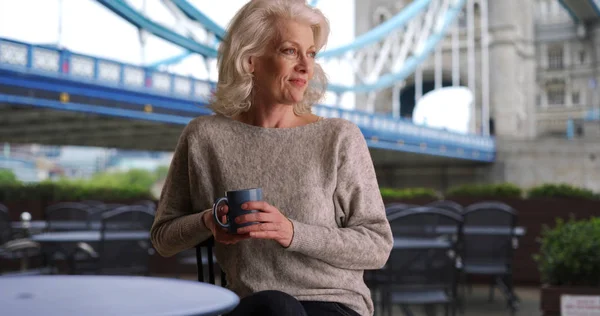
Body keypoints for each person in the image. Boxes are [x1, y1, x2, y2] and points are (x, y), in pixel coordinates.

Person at [150, 0, 393, 315]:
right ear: (251, 60)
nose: (307, 66)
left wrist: (291, 232)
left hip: (332, 303)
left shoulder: (339, 137)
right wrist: (209, 221)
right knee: (275, 306)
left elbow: (377, 246)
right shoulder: (204, 137)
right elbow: (163, 238)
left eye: (312, 53)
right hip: (256, 305)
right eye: (290, 51)